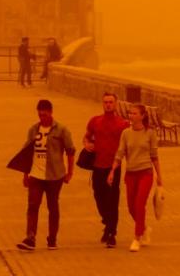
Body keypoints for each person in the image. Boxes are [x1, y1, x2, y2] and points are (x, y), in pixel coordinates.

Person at [17, 99, 76, 251]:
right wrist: (25, 175)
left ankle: (52, 239)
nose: (42, 118)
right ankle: (30, 237)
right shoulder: (33, 130)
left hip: (55, 175)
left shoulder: (62, 130)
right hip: (36, 175)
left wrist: (70, 172)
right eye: (39, 115)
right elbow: (27, 153)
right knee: (32, 206)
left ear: (50, 113)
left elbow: (70, 151)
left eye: (44, 115)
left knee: (53, 207)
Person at [108, 104, 163, 252]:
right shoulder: (126, 133)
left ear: (142, 116)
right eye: (130, 113)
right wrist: (112, 170)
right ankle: (144, 228)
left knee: (139, 205)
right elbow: (120, 153)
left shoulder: (150, 133)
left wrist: (159, 176)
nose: (131, 116)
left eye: (134, 113)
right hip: (131, 173)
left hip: (145, 173)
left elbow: (154, 156)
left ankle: (136, 238)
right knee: (131, 207)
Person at [84, 92, 129, 248]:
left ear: (115, 104)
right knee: (99, 197)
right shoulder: (95, 121)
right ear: (102, 104)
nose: (108, 104)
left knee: (112, 200)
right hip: (97, 166)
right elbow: (87, 136)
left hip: (113, 167)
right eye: (105, 102)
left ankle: (111, 233)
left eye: (111, 102)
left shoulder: (123, 124)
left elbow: (128, 145)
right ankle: (107, 221)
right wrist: (86, 144)